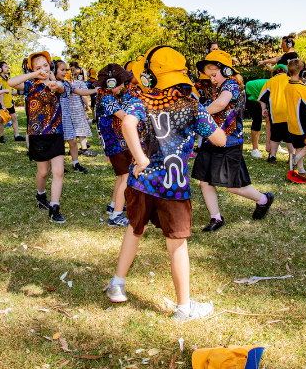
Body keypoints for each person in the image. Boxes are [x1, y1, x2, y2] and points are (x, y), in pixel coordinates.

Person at [105, 45, 225, 323]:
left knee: (134, 230)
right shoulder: (191, 104)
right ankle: (184, 308)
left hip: (141, 182)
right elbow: (219, 139)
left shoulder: (140, 99)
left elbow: (127, 124)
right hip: (173, 185)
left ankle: (117, 284)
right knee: (177, 245)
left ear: (149, 73)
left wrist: (140, 158)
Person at [192, 50, 275, 232]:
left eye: (214, 75)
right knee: (205, 181)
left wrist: (198, 112)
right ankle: (216, 218)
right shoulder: (218, 86)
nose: (212, 79)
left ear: (227, 71)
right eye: (209, 76)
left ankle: (264, 199)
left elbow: (221, 104)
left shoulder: (231, 85)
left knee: (234, 187)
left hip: (229, 142)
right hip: (212, 139)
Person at [9, 51, 67, 223]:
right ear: (32, 69)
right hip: (37, 134)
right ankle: (40, 194)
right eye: (38, 67)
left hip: (56, 132)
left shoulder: (57, 84)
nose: (42, 69)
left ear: (50, 66)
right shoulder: (30, 85)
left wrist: (54, 83)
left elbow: (63, 89)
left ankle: (54, 207)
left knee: (59, 171)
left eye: (45, 65)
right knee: (43, 172)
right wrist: (33, 75)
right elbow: (11, 83)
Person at [94, 62, 136, 227]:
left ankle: (113, 206)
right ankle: (116, 216)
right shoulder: (107, 98)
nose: (122, 86)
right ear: (110, 83)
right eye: (120, 83)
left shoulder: (105, 95)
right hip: (116, 144)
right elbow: (124, 116)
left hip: (114, 144)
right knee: (126, 177)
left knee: (122, 176)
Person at [54, 59, 97, 174]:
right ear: (54, 70)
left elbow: (82, 92)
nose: (64, 72)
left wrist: (95, 90)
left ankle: (75, 164)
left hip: (67, 117)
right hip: (56, 119)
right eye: (62, 70)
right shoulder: (52, 84)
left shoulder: (67, 84)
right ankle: (59, 166)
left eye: (65, 70)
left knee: (73, 142)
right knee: (60, 143)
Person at [258, 63, 292, 162]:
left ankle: (272, 156)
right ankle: (292, 157)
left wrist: (264, 109)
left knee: (275, 136)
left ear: (274, 72)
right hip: (289, 113)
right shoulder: (291, 80)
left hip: (276, 113)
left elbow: (263, 98)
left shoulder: (270, 81)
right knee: (289, 137)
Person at [0, 61, 26, 143]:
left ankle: (17, 135)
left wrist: (15, 93)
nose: (7, 68)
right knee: (1, 119)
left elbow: (8, 92)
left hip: (9, 103)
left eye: (7, 66)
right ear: (0, 69)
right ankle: (1, 136)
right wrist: (2, 105)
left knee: (14, 117)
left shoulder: (7, 79)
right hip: (2, 103)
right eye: (5, 66)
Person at [67, 63, 97, 157]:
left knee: (71, 129)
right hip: (77, 109)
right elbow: (84, 96)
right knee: (81, 129)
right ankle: (84, 149)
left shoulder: (68, 83)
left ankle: (71, 149)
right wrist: (87, 106)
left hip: (68, 109)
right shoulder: (81, 83)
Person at [244, 76, 268, 158]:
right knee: (257, 119)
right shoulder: (279, 84)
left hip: (260, 94)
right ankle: (255, 149)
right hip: (251, 91)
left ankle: (274, 145)